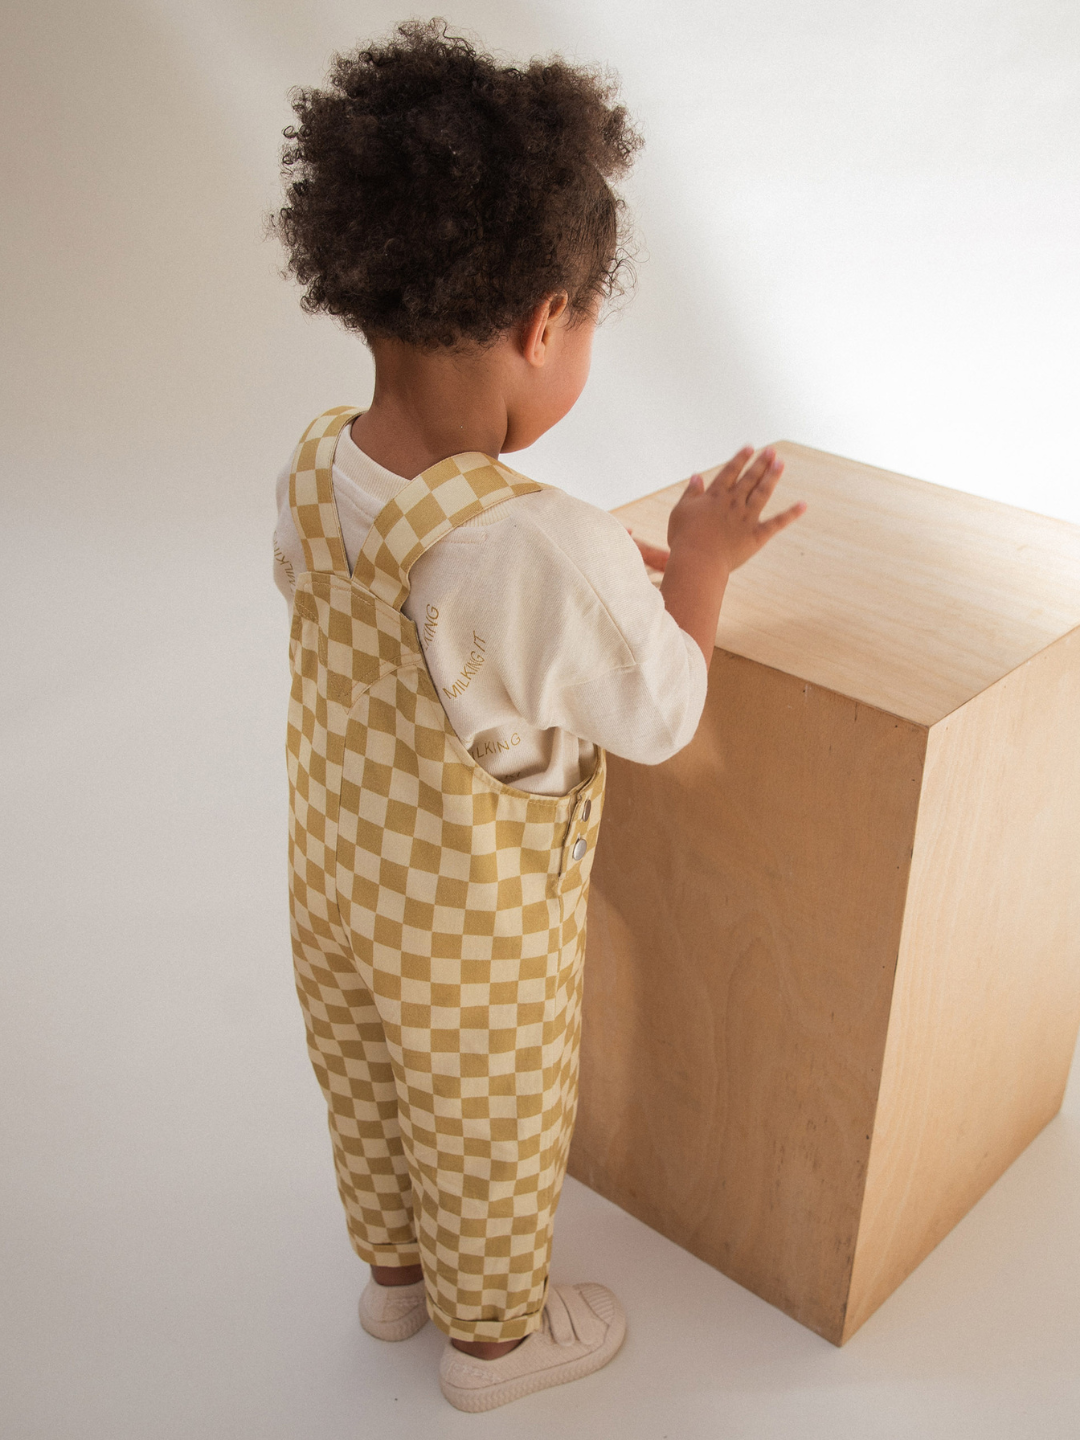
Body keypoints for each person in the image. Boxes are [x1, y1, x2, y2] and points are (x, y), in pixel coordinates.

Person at [271, 20, 805, 1413]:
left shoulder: (319, 466)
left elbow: (375, 607)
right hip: (470, 931)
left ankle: (392, 1283)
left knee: (370, 1079)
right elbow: (659, 710)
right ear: (543, 321)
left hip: (334, 880)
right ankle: (494, 1347)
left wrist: (560, 599)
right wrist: (696, 569)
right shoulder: (536, 545)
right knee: (487, 1124)